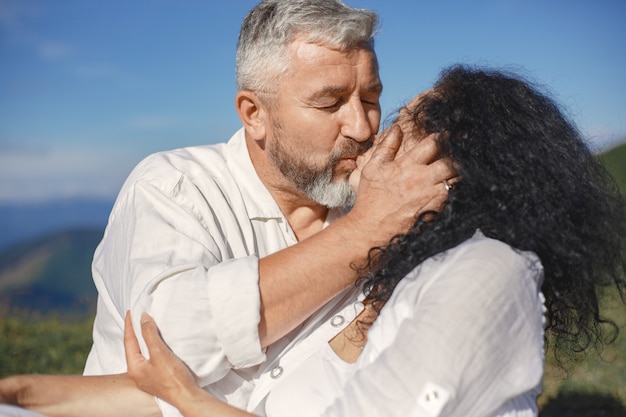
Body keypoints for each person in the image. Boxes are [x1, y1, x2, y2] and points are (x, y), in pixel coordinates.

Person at [0, 1, 453, 416]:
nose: (361, 126)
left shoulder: (393, 208)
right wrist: (363, 233)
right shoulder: (175, 186)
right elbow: (169, 341)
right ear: (254, 113)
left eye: (370, 99)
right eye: (329, 102)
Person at [121, 65, 626, 417]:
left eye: (390, 119)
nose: (367, 132)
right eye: (331, 102)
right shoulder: (398, 266)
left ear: (451, 165)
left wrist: (189, 401)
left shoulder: (485, 272)